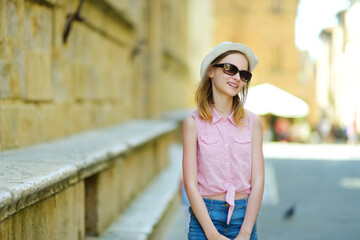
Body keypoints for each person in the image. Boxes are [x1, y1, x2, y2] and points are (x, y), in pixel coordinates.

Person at [182, 41, 264, 240]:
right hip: (205, 221)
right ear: (211, 71)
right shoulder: (193, 123)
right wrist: (211, 234)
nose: (237, 77)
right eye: (230, 69)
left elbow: (259, 181)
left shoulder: (253, 123)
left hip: (243, 219)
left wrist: (245, 232)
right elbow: (190, 183)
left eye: (243, 74)